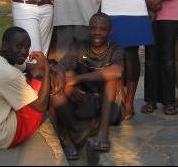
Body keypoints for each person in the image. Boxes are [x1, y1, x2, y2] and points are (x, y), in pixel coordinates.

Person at [51, 12, 124, 160]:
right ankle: (69, 137)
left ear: (110, 32)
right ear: (88, 30)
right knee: (58, 84)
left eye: (102, 29)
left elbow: (117, 71)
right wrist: (66, 83)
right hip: (83, 101)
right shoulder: (79, 46)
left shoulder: (115, 48)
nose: (97, 32)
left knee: (110, 79)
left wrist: (77, 79)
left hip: (107, 105)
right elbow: (59, 68)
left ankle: (102, 132)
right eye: (93, 28)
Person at [0, 27, 54, 149]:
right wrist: (46, 68)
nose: (24, 52)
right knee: (39, 83)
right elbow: (41, 106)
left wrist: (44, 67)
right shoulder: (9, 74)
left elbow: (32, 68)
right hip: (0, 137)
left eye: (27, 47)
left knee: (29, 82)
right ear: (5, 45)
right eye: (19, 46)